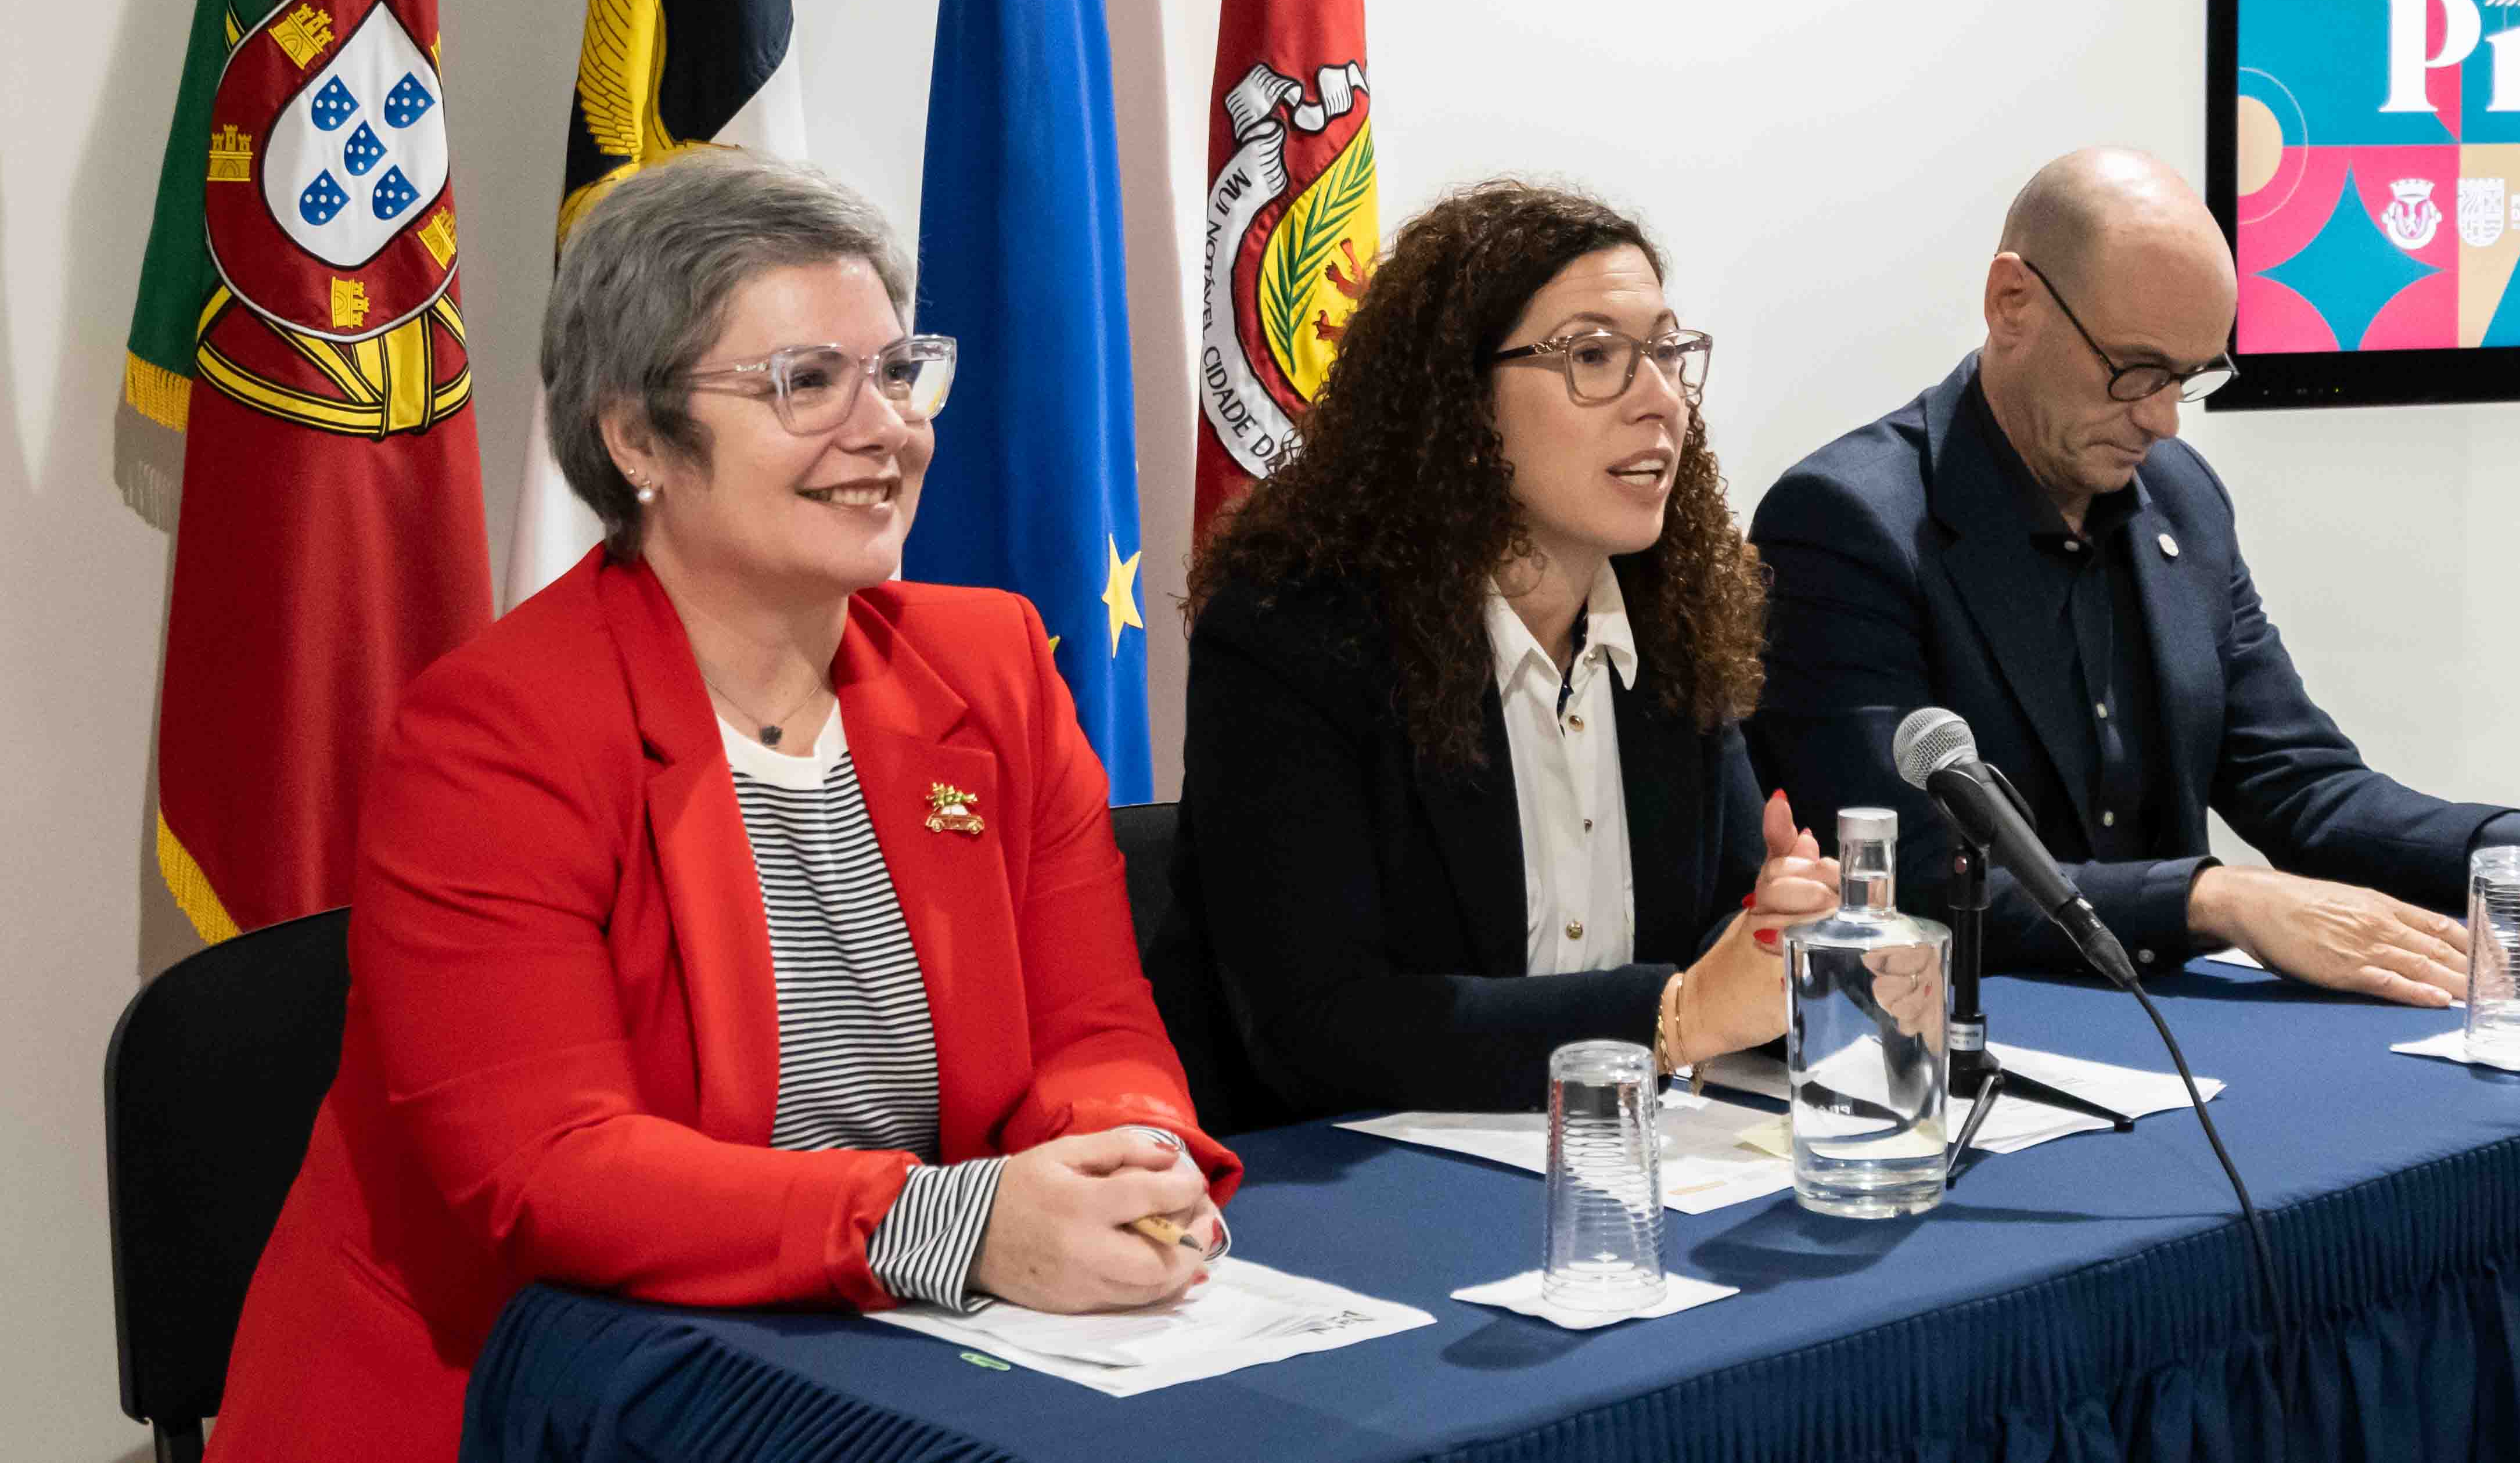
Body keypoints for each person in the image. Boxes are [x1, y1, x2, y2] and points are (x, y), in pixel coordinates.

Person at [210, 152, 1235, 1463]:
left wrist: (1127, 1160)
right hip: (532, 1400)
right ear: (635, 437)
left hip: (879, 1368)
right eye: (805, 382)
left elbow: (1092, 1029)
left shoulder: (992, 669)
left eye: (898, 371)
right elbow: (555, 1168)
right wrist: (960, 1227)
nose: (885, 428)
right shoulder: (497, 731)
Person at [1749, 146, 2520, 1004]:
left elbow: (2300, 784)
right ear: (2012, 303)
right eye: (2136, 371)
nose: (2165, 419)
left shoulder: (2181, 499)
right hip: (1976, 1049)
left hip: (2180, 1047)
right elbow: (1908, 882)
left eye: (2191, 377)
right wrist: (2216, 898)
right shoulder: (1845, 524)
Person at [1181, 181, 1840, 1117]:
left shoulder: (1675, 625)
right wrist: (1672, 1015)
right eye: (1595, 355)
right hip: (1367, 1185)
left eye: (1666, 353)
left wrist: (1779, 937)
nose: (1661, 400)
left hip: (1628, 1165)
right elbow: (1316, 1025)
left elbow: (1712, 945)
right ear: (1461, 402)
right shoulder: (1294, 638)